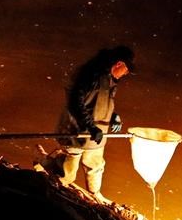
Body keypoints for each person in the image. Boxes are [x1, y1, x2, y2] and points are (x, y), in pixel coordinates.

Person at [54, 45, 135, 204]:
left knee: (95, 164)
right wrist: (90, 126)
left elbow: (100, 103)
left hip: (97, 133)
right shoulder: (90, 74)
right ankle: (59, 187)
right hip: (77, 128)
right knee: (70, 162)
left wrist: (113, 117)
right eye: (126, 69)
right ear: (118, 63)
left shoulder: (110, 79)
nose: (126, 74)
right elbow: (76, 102)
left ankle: (95, 194)